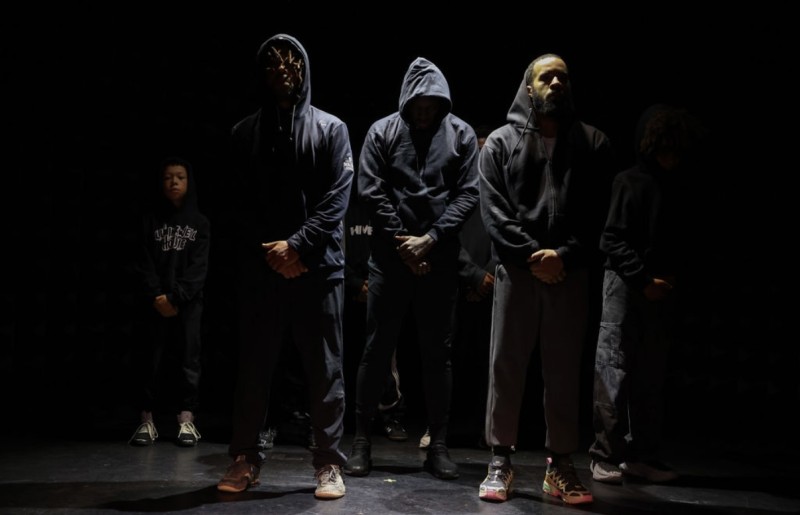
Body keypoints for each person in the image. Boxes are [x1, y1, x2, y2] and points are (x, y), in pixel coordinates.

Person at [215, 34, 353, 500]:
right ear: (262, 73)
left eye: (291, 63)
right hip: (263, 272)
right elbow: (237, 208)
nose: (283, 71)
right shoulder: (243, 133)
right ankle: (245, 458)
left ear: (304, 68)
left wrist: (297, 247)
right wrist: (272, 255)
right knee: (254, 368)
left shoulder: (332, 129)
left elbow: (337, 199)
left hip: (319, 269)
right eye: (272, 65)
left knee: (325, 371)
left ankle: (330, 464)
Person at [477, 54, 613, 504]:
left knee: (563, 369)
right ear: (529, 88)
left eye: (563, 77)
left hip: (568, 276)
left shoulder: (592, 143)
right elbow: (494, 213)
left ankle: (560, 465)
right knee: (507, 365)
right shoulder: (499, 143)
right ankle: (500, 460)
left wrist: (565, 256)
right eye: (546, 77)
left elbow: (597, 216)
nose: (556, 82)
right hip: (518, 272)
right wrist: (532, 255)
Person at [343, 57, 479, 480]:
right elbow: (369, 188)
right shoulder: (383, 131)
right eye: (417, 103)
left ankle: (437, 445)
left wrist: (431, 239)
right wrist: (406, 243)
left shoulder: (462, 134)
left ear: (441, 101)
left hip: (437, 263)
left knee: (438, 356)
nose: (424, 110)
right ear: (407, 100)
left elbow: (468, 194)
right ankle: (362, 440)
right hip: (390, 259)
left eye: (431, 103)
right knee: (376, 350)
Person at [588, 104, 702, 484]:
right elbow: (612, 240)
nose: (670, 158)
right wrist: (642, 280)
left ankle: (643, 454)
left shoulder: (678, 187)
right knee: (613, 369)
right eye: (664, 150)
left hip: (658, 291)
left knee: (651, 375)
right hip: (625, 286)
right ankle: (604, 454)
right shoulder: (630, 181)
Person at [129, 156, 210, 448]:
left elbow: (199, 269)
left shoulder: (200, 223)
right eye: (168, 177)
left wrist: (176, 298)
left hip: (187, 305)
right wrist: (156, 296)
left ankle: (186, 419)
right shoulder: (149, 221)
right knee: (150, 361)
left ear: (189, 182)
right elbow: (143, 262)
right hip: (155, 304)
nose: (174, 182)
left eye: (180, 177)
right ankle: (146, 420)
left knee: (189, 361)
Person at [343, 189, 409, 443]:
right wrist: (355, 284)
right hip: (347, 294)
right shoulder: (344, 208)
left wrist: (376, 285)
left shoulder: (388, 209)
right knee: (344, 357)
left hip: (381, 291)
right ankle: (348, 417)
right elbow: (334, 249)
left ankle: (390, 413)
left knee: (385, 357)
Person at [448, 124, 496, 449]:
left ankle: (485, 430)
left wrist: (488, 276)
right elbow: (448, 237)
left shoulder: (502, 193)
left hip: (493, 291)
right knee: (453, 359)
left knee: (488, 363)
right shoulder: (457, 191)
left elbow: (506, 237)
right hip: (458, 288)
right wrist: (473, 276)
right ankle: (447, 429)